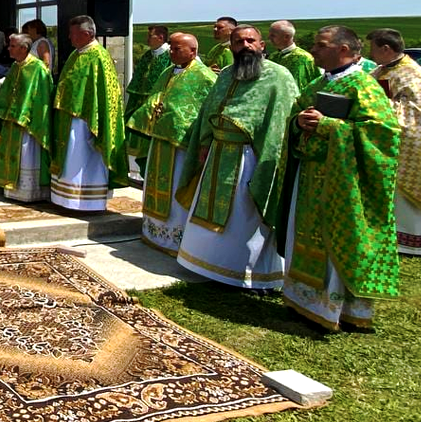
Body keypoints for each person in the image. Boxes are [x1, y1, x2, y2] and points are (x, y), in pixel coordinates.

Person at [284, 26, 401, 331]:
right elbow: (295, 115)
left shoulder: (363, 85)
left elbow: (383, 134)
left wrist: (329, 126)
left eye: (320, 45)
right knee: (306, 235)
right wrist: (298, 121)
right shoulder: (317, 83)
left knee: (336, 236)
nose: (314, 50)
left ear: (343, 49)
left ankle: (336, 308)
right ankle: (304, 300)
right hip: (310, 174)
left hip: (343, 179)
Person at [174, 25, 298, 289]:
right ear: (231, 47)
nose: (245, 45)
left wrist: (268, 158)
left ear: (262, 45)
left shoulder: (279, 76)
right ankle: (206, 263)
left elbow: (281, 121)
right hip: (218, 153)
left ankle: (248, 273)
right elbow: (210, 108)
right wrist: (205, 140)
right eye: (239, 41)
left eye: (251, 40)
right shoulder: (227, 73)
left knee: (244, 213)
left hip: (250, 157)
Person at [126, 33, 217, 254]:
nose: (172, 53)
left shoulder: (205, 77)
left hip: (182, 145)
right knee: (154, 184)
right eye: (172, 48)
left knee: (176, 187)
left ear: (193, 51)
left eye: (177, 49)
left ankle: (176, 240)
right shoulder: (167, 72)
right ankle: (153, 233)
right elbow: (155, 97)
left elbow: (206, 110)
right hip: (160, 140)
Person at [367, 29, 421, 257]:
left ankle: (417, 243)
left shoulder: (412, 72)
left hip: (414, 139)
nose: (369, 53)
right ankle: (393, 237)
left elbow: (420, 111)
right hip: (390, 138)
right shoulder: (381, 70)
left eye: (373, 48)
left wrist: (377, 105)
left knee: (408, 194)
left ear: (386, 48)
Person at [49, 15, 126, 210]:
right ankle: (66, 200)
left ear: (87, 34)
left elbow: (107, 94)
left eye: (73, 34)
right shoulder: (76, 54)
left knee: (82, 158)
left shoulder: (99, 56)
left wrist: (96, 119)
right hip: (68, 118)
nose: (69, 37)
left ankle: (86, 202)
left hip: (86, 120)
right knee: (70, 158)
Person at [0, 33, 53, 202]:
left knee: (27, 155)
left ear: (24, 48)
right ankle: (13, 191)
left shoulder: (38, 68)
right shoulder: (15, 66)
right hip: (12, 119)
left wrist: (29, 116)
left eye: (12, 46)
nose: (8, 49)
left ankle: (30, 193)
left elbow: (43, 97)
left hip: (28, 123)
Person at [123, 25, 172, 178]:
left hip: (157, 105)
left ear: (161, 38)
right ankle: (134, 171)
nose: (147, 39)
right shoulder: (147, 55)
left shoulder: (170, 56)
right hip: (140, 103)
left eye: (150, 36)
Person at [267, 20, 320, 88]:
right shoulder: (273, 56)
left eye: (273, 35)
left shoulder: (303, 58)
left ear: (286, 37)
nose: (269, 38)